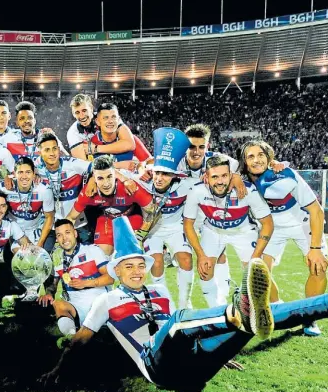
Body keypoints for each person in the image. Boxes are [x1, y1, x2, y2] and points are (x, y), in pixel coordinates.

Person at [40, 216, 328, 392]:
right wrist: (56, 371)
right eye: (129, 266)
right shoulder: (107, 299)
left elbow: (186, 332)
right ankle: (236, 311)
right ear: (116, 271)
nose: (137, 271)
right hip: (156, 368)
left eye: (141, 265)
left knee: (249, 322)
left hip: (195, 371)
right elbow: (80, 341)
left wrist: (221, 352)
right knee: (181, 321)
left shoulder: (160, 291)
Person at [240, 140, 328, 336]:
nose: (256, 160)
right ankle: (277, 309)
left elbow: (316, 211)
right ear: (244, 162)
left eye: (261, 155)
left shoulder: (286, 174)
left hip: (303, 223)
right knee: (257, 270)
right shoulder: (241, 180)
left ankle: (309, 319)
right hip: (272, 228)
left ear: (269, 157)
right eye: (250, 156)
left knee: (319, 266)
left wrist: (315, 250)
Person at [183, 155, 274, 307]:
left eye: (224, 176)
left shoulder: (247, 190)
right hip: (213, 230)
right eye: (215, 177)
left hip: (243, 231)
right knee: (205, 270)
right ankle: (216, 309)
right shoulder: (197, 191)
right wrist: (200, 255)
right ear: (206, 177)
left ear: (231, 175)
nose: (220, 181)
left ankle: (254, 309)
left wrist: (256, 256)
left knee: (253, 273)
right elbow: (188, 225)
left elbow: (268, 224)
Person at [139, 128, 198, 309]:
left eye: (165, 174)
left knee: (186, 260)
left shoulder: (186, 185)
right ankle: (165, 305)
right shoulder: (142, 182)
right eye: (157, 172)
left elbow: (210, 180)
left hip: (176, 228)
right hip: (152, 231)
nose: (159, 178)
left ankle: (184, 303)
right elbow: (120, 173)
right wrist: (140, 168)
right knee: (156, 263)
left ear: (174, 176)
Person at [38, 219, 114, 336]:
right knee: (58, 304)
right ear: (57, 239)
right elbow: (53, 284)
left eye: (67, 232)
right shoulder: (57, 256)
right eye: (59, 235)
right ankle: (70, 336)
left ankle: (97, 326)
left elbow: (110, 278)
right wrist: (48, 293)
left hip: (99, 303)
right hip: (76, 305)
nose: (64, 238)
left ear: (75, 233)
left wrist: (86, 283)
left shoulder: (92, 250)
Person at [66, 155, 154, 256]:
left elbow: (151, 212)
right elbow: (71, 217)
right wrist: (65, 235)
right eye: (100, 178)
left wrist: (140, 235)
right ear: (94, 178)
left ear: (115, 174)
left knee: (130, 255)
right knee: (101, 256)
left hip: (131, 218)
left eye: (109, 177)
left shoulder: (131, 187)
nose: (106, 183)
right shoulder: (88, 192)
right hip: (107, 219)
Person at [0, 157, 55, 251]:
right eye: (20, 172)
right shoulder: (4, 189)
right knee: (20, 259)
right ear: (14, 174)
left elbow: (49, 217)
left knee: (41, 258)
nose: (24, 176)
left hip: (36, 228)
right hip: (14, 230)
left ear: (33, 174)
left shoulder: (44, 189)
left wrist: (40, 244)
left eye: (28, 172)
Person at [0, 190, 30, 308]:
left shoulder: (9, 225)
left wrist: (25, 250)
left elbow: (26, 244)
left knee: (14, 281)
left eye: (3, 206)